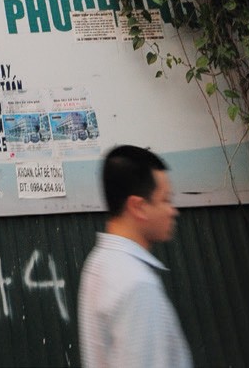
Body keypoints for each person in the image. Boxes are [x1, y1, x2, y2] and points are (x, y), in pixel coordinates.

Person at [77, 144, 193, 368]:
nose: (173, 211)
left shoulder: (98, 263)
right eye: (166, 200)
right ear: (138, 207)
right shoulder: (137, 284)